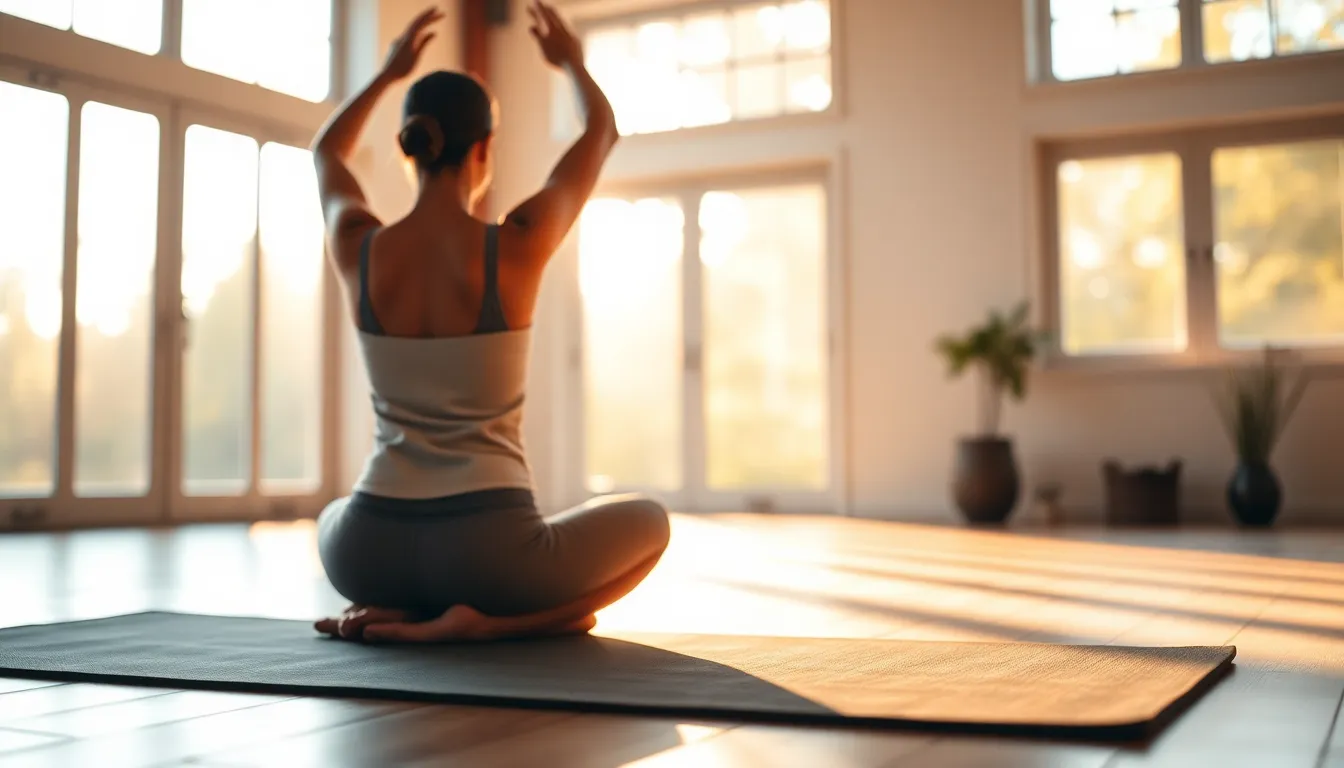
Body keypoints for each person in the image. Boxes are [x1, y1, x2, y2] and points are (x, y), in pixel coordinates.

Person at [309, 2, 669, 644]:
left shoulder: (357, 245)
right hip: (490, 551)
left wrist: (389, 73)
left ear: (408, 147)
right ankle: (484, 625)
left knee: (332, 513)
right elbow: (602, 131)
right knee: (652, 523)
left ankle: (407, 608)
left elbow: (325, 150)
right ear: (485, 150)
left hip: (368, 553)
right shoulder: (518, 245)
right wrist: (571, 64)